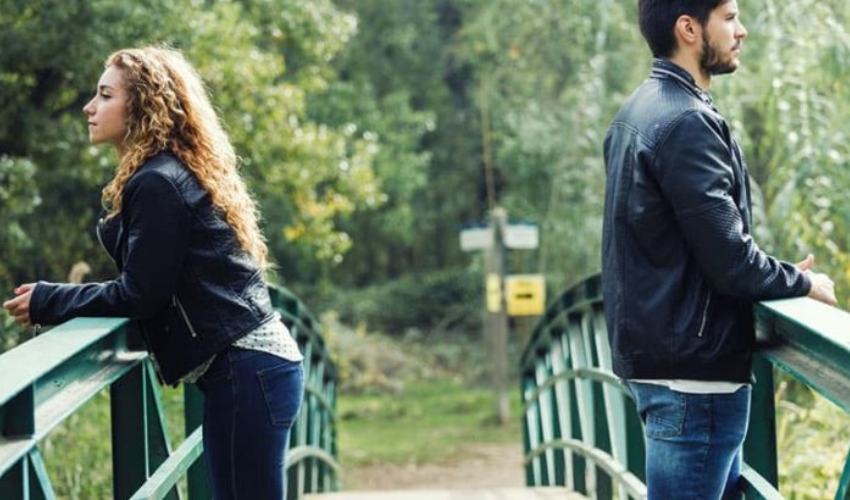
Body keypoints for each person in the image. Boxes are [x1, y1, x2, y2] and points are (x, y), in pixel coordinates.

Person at [3, 46, 305, 500]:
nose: (89, 106)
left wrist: (51, 299)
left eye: (105, 95)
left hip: (247, 372)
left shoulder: (158, 181)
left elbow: (141, 294)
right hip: (252, 370)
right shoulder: (166, 173)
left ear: (142, 105)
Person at [601, 1, 837, 498]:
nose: (741, 30)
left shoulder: (637, 111)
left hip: (665, 368)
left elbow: (688, 244)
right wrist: (802, 283)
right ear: (688, 28)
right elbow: (731, 260)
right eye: (728, 17)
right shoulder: (686, 122)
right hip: (694, 386)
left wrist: (771, 271)